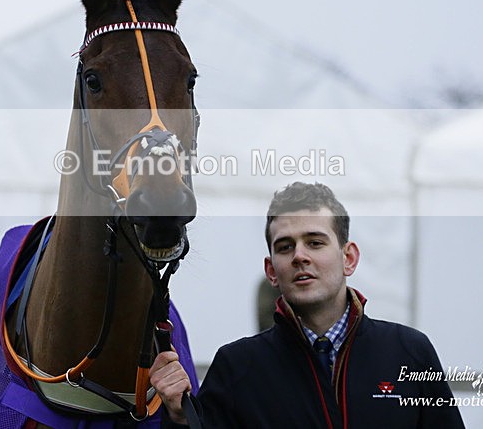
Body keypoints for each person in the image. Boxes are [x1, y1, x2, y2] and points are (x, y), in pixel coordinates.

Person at [150, 182, 465, 428]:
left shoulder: (410, 352)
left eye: (315, 242)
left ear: (349, 257)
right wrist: (180, 417)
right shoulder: (237, 368)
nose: (300, 255)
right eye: (285, 246)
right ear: (272, 270)